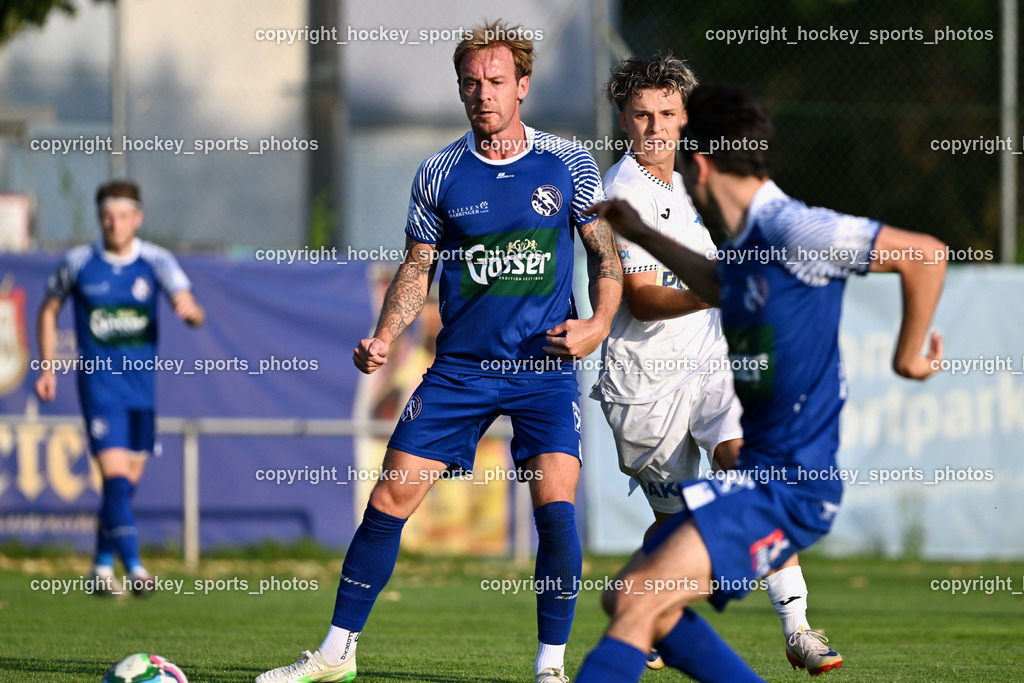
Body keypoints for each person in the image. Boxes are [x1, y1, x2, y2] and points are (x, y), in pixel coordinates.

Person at [256, 19, 622, 683]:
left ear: (523, 85)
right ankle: (336, 653)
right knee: (390, 499)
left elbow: (607, 256)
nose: (483, 92)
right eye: (471, 82)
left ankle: (550, 667)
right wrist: (385, 335)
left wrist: (599, 322)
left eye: (496, 80)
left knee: (556, 508)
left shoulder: (568, 163)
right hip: (460, 370)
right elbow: (417, 266)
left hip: (543, 370)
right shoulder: (440, 172)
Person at [575, 83, 945, 682]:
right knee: (637, 599)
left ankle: (797, 625)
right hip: (758, 466)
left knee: (638, 602)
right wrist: (641, 234)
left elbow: (925, 253)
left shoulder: (791, 228)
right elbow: (717, 281)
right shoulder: (749, 237)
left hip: (784, 484)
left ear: (698, 162)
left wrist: (909, 357)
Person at [592, 56, 841, 673]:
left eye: (668, 114)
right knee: (679, 526)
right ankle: (644, 601)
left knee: (748, 466)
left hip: (710, 364)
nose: (656, 127)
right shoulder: (621, 190)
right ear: (623, 119)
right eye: (642, 114)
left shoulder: (691, 181)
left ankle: (798, 628)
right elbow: (646, 300)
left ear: (686, 119)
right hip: (643, 383)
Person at [35, 180, 205, 596]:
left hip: (142, 393)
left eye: (123, 216)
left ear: (137, 218)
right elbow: (49, 308)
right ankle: (136, 568)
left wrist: (189, 311)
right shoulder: (77, 262)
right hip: (99, 387)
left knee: (126, 486)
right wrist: (47, 367)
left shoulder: (156, 261)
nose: (114, 224)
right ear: (100, 218)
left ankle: (100, 567)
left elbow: (195, 311)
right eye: (107, 217)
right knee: (113, 480)